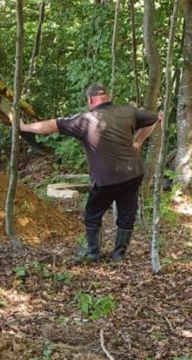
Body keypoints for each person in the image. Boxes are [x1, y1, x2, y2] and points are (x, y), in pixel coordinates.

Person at [19, 83, 161, 262]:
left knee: (92, 215)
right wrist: (138, 141)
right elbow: (153, 119)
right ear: (107, 97)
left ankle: (93, 253)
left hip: (106, 179)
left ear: (90, 100)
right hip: (133, 174)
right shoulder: (128, 111)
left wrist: (24, 127)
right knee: (127, 214)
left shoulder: (85, 120)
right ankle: (119, 255)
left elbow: (50, 126)